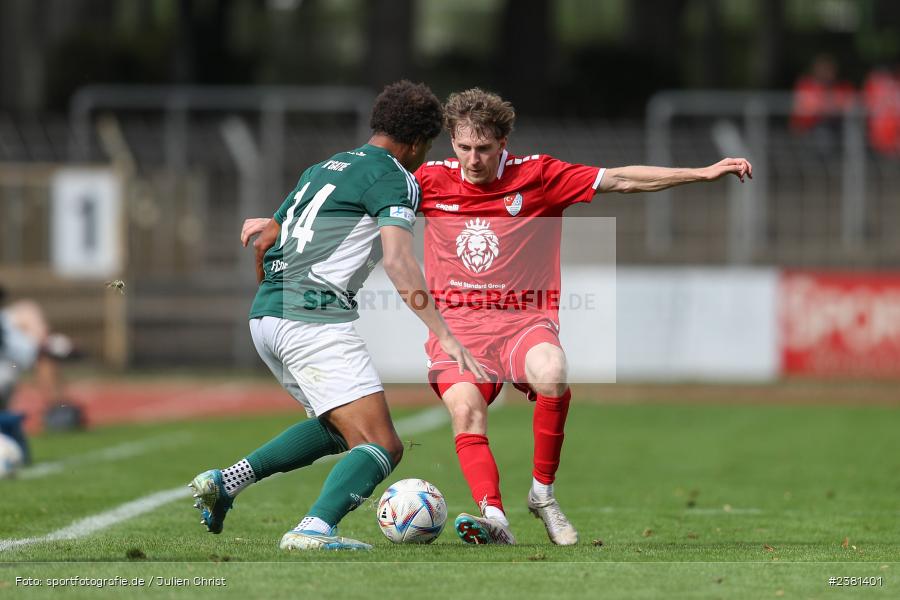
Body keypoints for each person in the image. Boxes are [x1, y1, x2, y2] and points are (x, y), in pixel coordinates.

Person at [242, 87, 752, 546]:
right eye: (462, 147)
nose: (472, 159)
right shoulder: (427, 181)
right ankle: (494, 516)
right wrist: (276, 219)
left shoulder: (539, 175)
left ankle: (543, 495)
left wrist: (703, 172)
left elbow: (620, 178)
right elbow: (351, 198)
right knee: (466, 410)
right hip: (457, 329)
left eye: (483, 149)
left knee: (552, 371)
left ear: (503, 141)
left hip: (522, 322)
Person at [192, 81, 486, 552]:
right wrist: (445, 335)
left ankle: (227, 482)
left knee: (338, 429)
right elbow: (397, 260)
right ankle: (313, 530)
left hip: (268, 314)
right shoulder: (396, 177)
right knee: (381, 444)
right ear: (418, 143)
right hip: (314, 319)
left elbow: (266, 238)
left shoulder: (321, 168)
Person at [0, 285, 77, 463]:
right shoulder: (6, 321)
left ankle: (12, 444)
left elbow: (27, 350)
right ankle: (15, 443)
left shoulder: (5, 322)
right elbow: (29, 350)